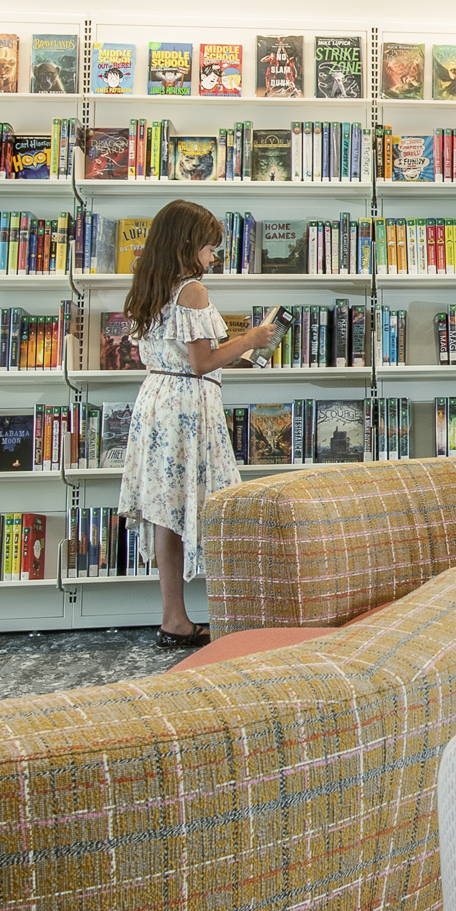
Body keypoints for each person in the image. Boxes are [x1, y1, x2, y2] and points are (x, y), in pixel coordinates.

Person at [117, 199, 278, 647]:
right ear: (188, 244)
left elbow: (185, 357)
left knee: (167, 513)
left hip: (157, 400)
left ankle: (174, 620)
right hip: (187, 408)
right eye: (209, 248)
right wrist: (251, 338)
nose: (212, 258)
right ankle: (234, 613)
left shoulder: (150, 282)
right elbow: (201, 362)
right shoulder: (191, 290)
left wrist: (236, 354)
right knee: (217, 507)